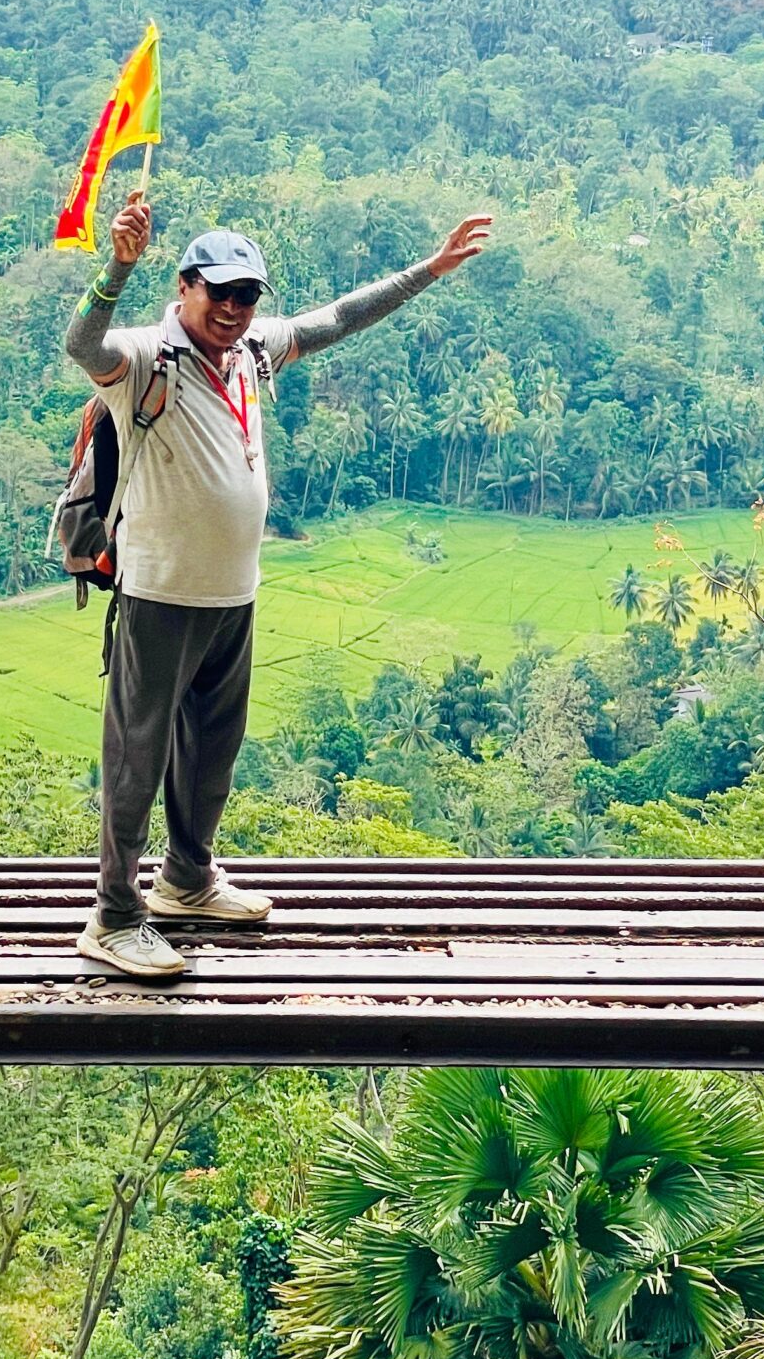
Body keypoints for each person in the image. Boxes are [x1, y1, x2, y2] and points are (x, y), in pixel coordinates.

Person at [65, 200, 492, 977]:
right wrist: (118, 266)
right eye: (218, 292)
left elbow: (337, 319)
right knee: (138, 756)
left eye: (246, 295)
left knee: (211, 752)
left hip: (233, 592)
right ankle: (114, 915)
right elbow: (79, 342)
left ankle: (187, 880)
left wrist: (430, 271)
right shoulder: (141, 359)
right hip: (160, 593)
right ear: (184, 287)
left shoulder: (254, 351)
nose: (232, 308)